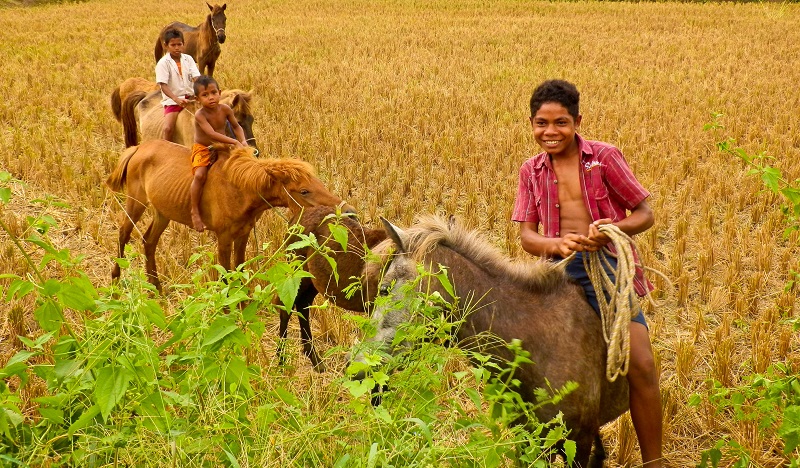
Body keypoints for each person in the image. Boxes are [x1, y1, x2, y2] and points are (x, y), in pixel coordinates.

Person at [511, 79, 663, 467]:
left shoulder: (605, 157)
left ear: (578, 121)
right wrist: (555, 245)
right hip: (555, 272)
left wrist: (612, 227)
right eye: (541, 123)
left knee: (642, 364)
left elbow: (644, 213)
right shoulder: (530, 170)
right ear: (531, 124)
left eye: (560, 122)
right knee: (525, 364)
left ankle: (655, 462)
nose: (550, 132)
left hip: (606, 267)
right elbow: (527, 236)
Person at [190, 75, 247, 232]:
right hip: (204, 148)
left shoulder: (226, 109)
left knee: (235, 168)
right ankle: (195, 211)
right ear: (197, 99)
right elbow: (211, 134)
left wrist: (242, 141)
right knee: (200, 175)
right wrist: (234, 142)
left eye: (213, 93)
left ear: (219, 92)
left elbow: (236, 127)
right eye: (205, 95)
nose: (211, 98)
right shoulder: (200, 115)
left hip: (222, 146)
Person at [155, 28, 200, 142]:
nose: (177, 48)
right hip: (173, 102)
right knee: (168, 128)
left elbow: (196, 77)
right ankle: (167, 148)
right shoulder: (163, 63)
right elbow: (163, 85)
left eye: (179, 44)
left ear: (183, 44)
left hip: (191, 98)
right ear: (166, 46)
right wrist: (176, 99)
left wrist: (203, 91)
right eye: (173, 45)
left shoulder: (188, 59)